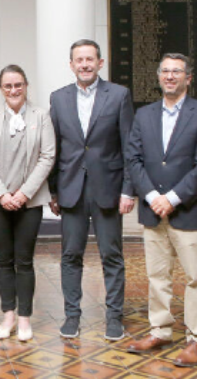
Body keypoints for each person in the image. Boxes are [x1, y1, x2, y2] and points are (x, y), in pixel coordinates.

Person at [125, 53, 197, 367]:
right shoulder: (144, 115)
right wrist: (153, 195)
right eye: (165, 71)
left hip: (188, 211)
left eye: (176, 71)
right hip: (153, 210)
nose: (170, 76)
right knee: (157, 276)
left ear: (188, 78)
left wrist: (174, 197)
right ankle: (160, 331)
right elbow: (134, 160)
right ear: (158, 76)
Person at [48, 39, 135, 341]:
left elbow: (128, 146)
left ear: (101, 62)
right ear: (71, 65)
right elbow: (54, 148)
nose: (84, 64)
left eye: (90, 59)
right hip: (70, 189)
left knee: (112, 256)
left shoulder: (120, 95)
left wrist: (128, 189)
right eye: (79, 60)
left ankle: (114, 318)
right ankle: (72, 316)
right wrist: (53, 191)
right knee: (71, 256)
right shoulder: (58, 99)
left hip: (108, 190)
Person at [0, 64, 55, 342]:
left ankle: (24, 318)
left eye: (18, 84)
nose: (13, 90)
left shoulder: (41, 116)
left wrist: (24, 193)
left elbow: (48, 156)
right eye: (8, 86)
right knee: (3, 259)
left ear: (26, 86)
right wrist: (2, 194)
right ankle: (8, 314)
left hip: (29, 202)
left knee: (24, 260)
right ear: (1, 89)